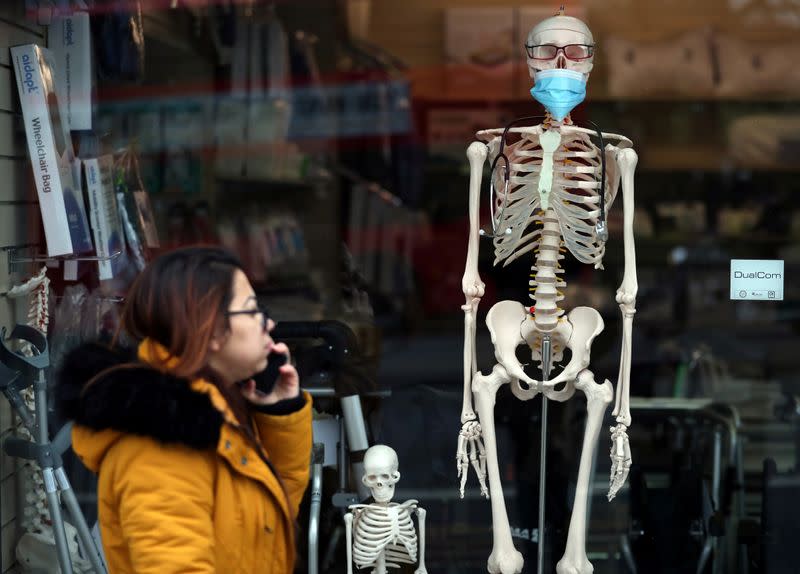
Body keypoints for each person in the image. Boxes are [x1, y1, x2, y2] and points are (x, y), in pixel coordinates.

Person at [55, 246, 312, 573]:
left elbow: (267, 525)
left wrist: (280, 413)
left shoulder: (209, 410)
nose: (269, 323)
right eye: (253, 310)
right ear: (210, 327)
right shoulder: (162, 444)